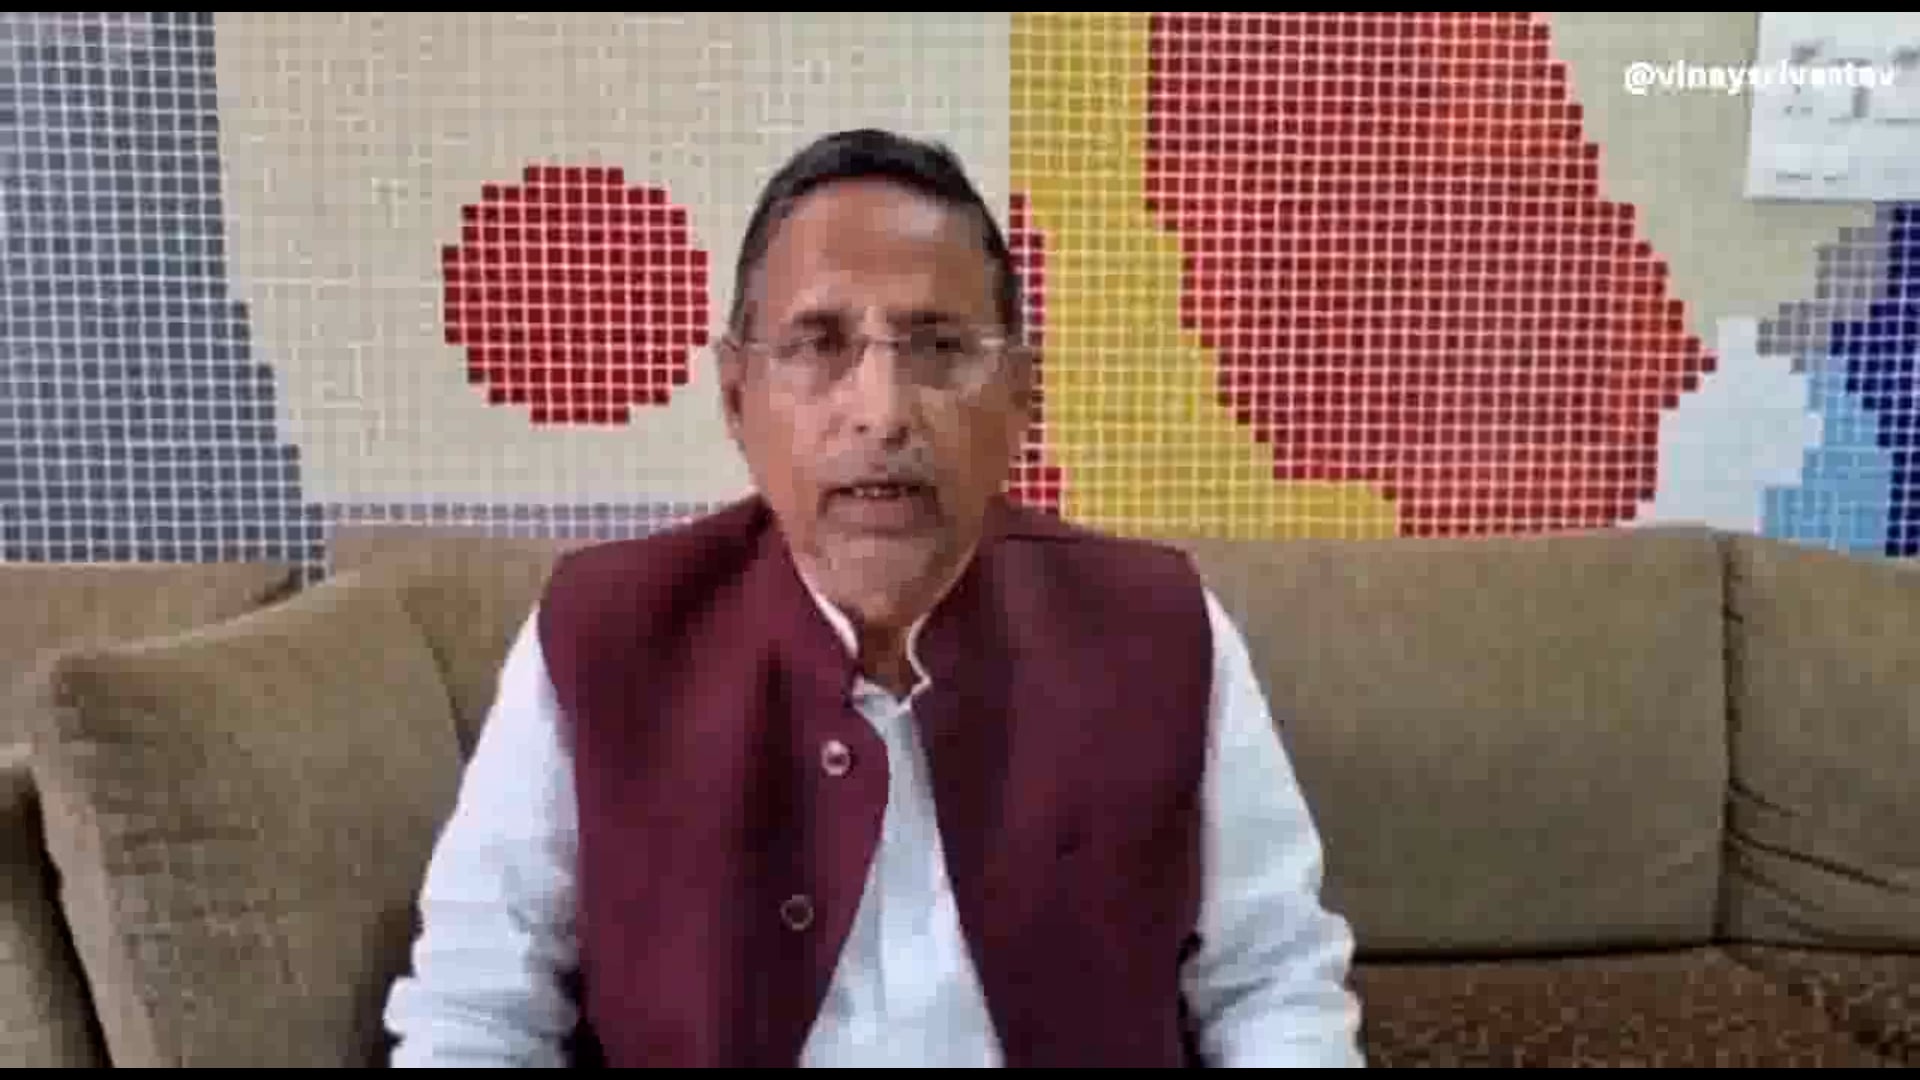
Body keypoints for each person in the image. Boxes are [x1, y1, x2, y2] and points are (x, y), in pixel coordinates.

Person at [383, 127, 1365, 1068]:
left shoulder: (1160, 630)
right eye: (819, 343)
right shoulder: (604, 635)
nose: (884, 412)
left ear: (1020, 395)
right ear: (737, 397)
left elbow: (1272, 988)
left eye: (939, 345)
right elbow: (478, 1014)